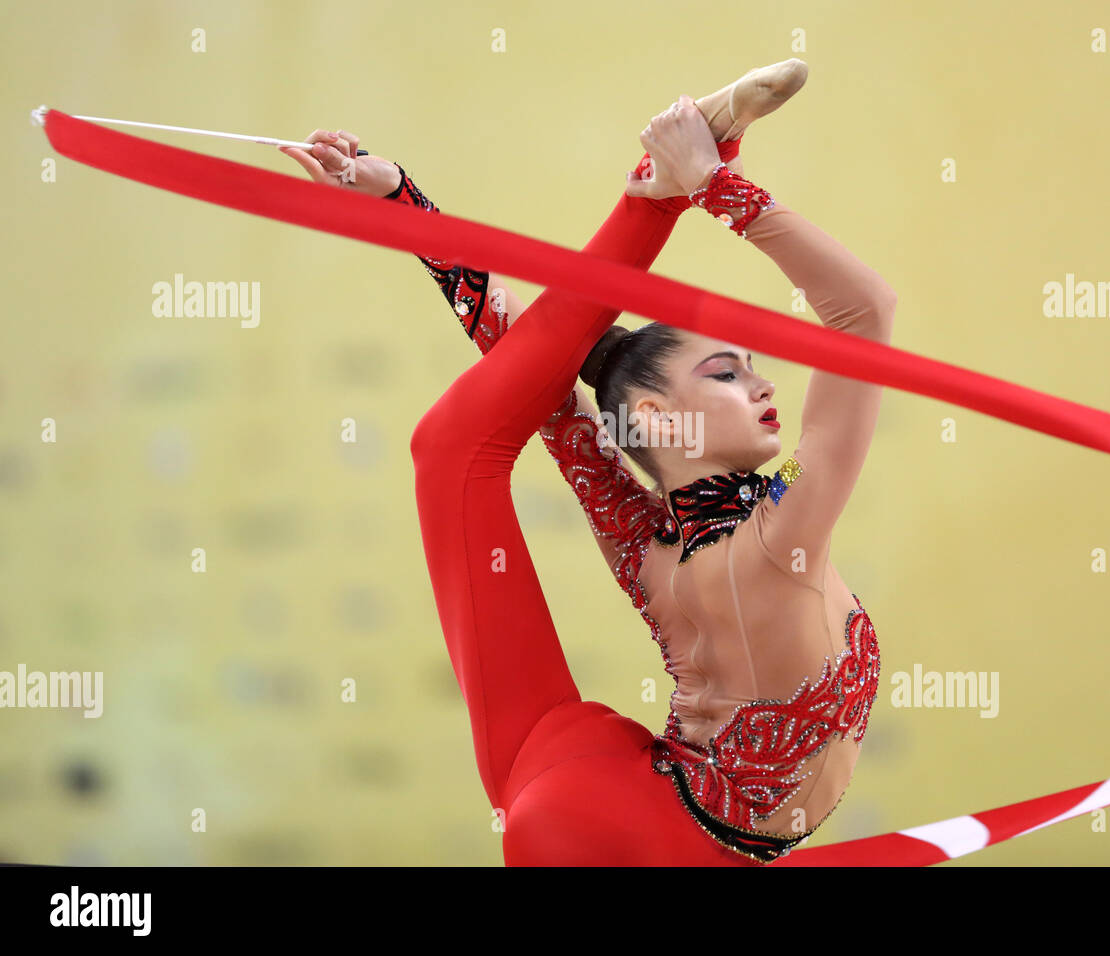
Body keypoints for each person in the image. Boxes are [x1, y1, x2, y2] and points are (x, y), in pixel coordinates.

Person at [280, 58, 898, 864]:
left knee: (480, 437)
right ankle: (659, 189)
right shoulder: (780, 530)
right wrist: (713, 186)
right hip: (636, 824)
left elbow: (524, 367)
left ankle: (654, 192)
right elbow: (864, 311)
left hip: (644, 807)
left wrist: (407, 205)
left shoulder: (667, 543)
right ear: (651, 417)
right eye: (727, 371)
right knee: (456, 448)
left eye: (748, 363)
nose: (763, 380)